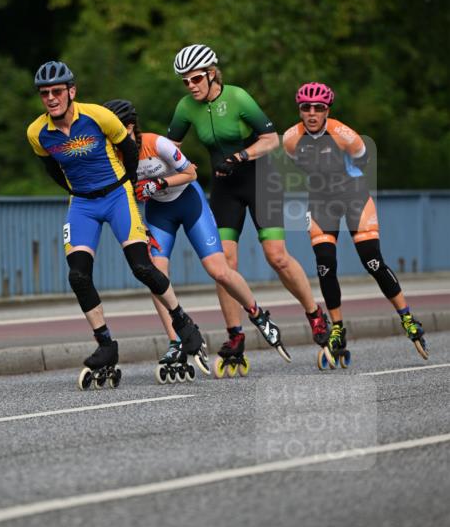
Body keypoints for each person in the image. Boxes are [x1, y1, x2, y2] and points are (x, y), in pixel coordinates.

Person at [26, 60, 209, 385]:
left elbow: (128, 149)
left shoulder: (99, 117)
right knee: (78, 275)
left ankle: (182, 321)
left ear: (71, 91)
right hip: (82, 203)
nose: (51, 98)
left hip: (116, 195)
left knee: (141, 267)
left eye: (57, 91)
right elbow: (52, 170)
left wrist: (123, 183)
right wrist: (77, 191)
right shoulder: (37, 132)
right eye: (44, 93)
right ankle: (106, 346)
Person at [167, 44, 331, 368]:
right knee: (223, 265)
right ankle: (235, 334)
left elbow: (272, 139)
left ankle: (315, 313)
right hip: (224, 186)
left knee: (277, 256)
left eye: (196, 78)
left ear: (212, 74)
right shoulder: (186, 107)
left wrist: (241, 155)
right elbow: (169, 149)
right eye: (185, 81)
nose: (191, 86)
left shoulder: (238, 97)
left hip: (260, 180)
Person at [103, 98, 291, 378]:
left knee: (218, 270)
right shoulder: (113, 157)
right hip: (158, 213)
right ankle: (176, 340)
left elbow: (191, 173)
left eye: (114, 131)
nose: (111, 139)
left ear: (129, 127)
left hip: (189, 204)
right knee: (154, 274)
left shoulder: (156, 144)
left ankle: (257, 313)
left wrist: (160, 182)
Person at [283, 82, 428, 364]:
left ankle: (407, 317)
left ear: (327, 110)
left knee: (372, 260)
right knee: (325, 264)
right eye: (306, 108)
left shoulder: (343, 134)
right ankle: (337, 328)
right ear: (300, 110)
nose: (312, 113)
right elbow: (298, 162)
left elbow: (363, 158)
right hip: (321, 201)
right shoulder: (290, 138)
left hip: (354, 196)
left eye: (319, 108)